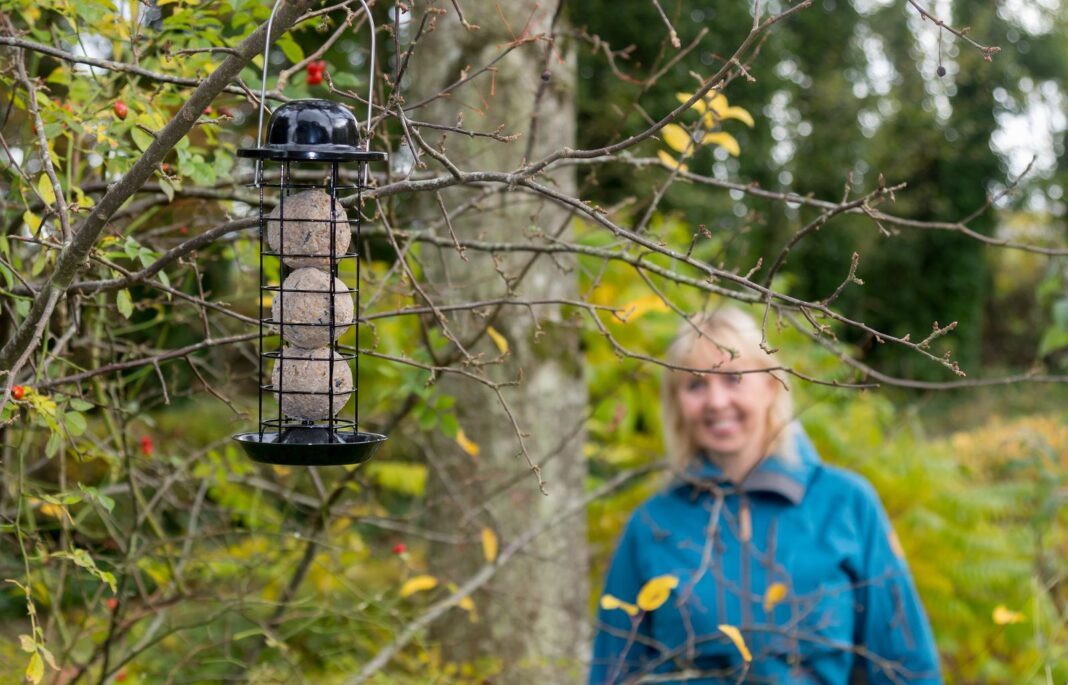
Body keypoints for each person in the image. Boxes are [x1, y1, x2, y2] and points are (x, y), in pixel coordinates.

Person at [589, 305, 942, 684]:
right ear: (676, 402)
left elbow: (907, 666)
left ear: (772, 385)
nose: (716, 401)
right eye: (695, 384)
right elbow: (612, 671)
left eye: (734, 377)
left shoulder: (845, 505)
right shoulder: (652, 525)